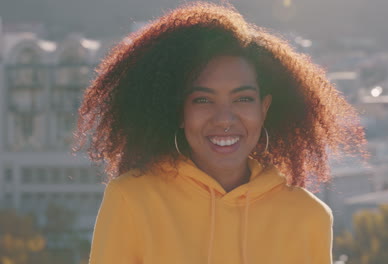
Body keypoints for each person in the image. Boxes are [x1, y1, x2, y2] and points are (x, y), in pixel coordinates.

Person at [75, 2, 366, 264]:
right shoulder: (132, 200)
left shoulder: (308, 216)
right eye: (202, 100)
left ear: (264, 109)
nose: (224, 118)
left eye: (243, 99)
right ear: (178, 111)